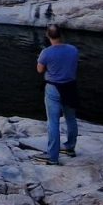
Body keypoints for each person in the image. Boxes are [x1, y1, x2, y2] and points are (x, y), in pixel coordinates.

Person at [36, 24, 79, 165]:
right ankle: (70, 148)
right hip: (70, 88)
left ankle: (53, 156)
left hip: (53, 89)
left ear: (48, 36)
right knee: (71, 119)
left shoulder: (46, 52)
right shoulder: (73, 50)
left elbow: (40, 70)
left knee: (53, 122)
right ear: (61, 34)